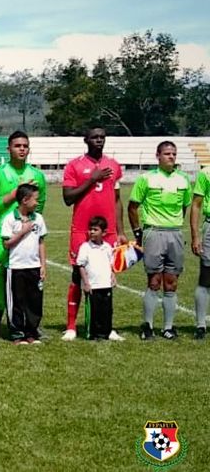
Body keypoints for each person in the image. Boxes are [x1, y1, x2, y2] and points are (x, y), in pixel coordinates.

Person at [60, 127, 126, 341]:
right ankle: (71, 326)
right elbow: (68, 198)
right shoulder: (74, 165)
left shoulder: (113, 165)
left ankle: (106, 327)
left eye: (102, 137)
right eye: (95, 137)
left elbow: (117, 200)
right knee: (77, 276)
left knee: (106, 278)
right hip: (82, 229)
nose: (99, 140)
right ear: (86, 140)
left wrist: (121, 231)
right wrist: (91, 179)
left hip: (108, 232)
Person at [0, 131, 46, 339]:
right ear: (8, 148)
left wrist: (31, 225)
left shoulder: (37, 175)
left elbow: (41, 204)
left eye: (25, 146)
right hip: (4, 235)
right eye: (17, 145)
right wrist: (17, 192)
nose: (22, 149)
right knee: (1, 280)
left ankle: (31, 325)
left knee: (30, 281)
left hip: (29, 236)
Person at [128, 141, 191, 341]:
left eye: (173, 154)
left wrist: (175, 224)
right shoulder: (146, 178)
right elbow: (133, 206)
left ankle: (168, 327)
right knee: (154, 281)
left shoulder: (183, 179)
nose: (171, 157)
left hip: (175, 233)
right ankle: (147, 325)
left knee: (171, 283)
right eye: (167, 153)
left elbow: (184, 207)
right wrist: (138, 232)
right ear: (158, 156)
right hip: (154, 232)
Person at [1, 183, 47, 345]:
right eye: (35, 199)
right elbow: (7, 244)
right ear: (25, 200)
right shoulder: (10, 219)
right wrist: (22, 231)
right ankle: (17, 333)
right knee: (17, 302)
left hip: (33, 267)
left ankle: (32, 332)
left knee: (34, 301)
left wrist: (43, 265)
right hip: (16, 267)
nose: (37, 203)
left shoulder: (38, 218)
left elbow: (41, 242)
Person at [76, 216, 123, 341]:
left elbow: (111, 265)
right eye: (90, 229)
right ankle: (92, 333)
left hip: (105, 284)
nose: (92, 232)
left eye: (95, 230)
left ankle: (106, 332)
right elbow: (81, 266)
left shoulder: (107, 247)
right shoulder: (85, 247)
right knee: (94, 311)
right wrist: (86, 283)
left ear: (104, 232)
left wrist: (113, 276)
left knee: (106, 310)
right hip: (93, 285)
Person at [190, 164, 210, 340]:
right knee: (206, 277)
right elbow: (196, 205)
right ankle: (201, 325)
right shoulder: (206, 173)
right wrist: (196, 236)